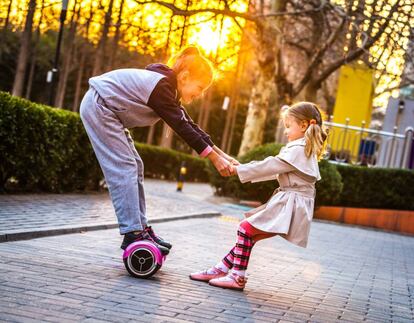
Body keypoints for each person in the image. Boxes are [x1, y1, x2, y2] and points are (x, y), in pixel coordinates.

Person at [79, 46, 236, 254]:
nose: (199, 95)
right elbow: (182, 128)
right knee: (125, 167)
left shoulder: (168, 89)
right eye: (199, 88)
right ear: (185, 76)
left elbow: (191, 126)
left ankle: (140, 228)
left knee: (136, 165)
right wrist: (215, 160)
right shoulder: (161, 87)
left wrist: (224, 156)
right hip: (100, 107)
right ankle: (133, 233)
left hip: (109, 112)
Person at [190, 102, 328, 290]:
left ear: (303, 126)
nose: (286, 131)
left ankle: (237, 276)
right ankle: (221, 269)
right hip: (292, 201)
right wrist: (242, 169)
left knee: (245, 229)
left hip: (291, 202)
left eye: (289, 126)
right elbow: (274, 170)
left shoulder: (298, 148)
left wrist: (239, 170)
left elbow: (269, 165)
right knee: (249, 235)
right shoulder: (302, 148)